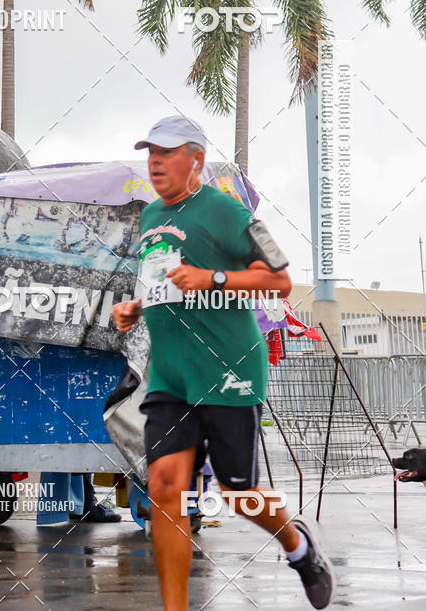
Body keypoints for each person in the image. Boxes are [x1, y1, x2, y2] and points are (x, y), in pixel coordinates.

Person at [113, 116, 334, 610]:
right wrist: (136, 307)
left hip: (229, 370)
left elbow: (278, 280)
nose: (155, 162)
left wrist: (213, 278)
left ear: (196, 159)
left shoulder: (226, 211)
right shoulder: (150, 219)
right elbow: (161, 282)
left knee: (239, 494)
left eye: (167, 153)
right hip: (171, 375)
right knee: (165, 488)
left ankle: (298, 547)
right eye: (150, 152)